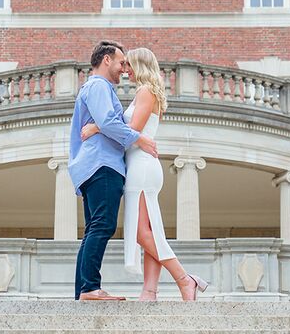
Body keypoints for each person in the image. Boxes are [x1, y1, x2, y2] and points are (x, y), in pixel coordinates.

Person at [81, 47, 208, 301]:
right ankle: (150, 290)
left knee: (141, 232)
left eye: (129, 64)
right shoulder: (147, 91)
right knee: (151, 230)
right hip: (140, 164)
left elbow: (131, 130)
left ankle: (185, 279)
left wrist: (97, 127)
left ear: (140, 65)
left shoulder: (146, 91)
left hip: (141, 166)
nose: (125, 69)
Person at [68, 40, 158, 301]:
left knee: (94, 228)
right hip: (103, 164)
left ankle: (84, 290)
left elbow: (105, 122)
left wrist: (99, 127)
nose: (123, 69)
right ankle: (89, 288)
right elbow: (109, 121)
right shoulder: (98, 86)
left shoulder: (95, 88)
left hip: (93, 164)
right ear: (106, 60)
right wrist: (139, 138)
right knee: (103, 225)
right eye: (120, 62)